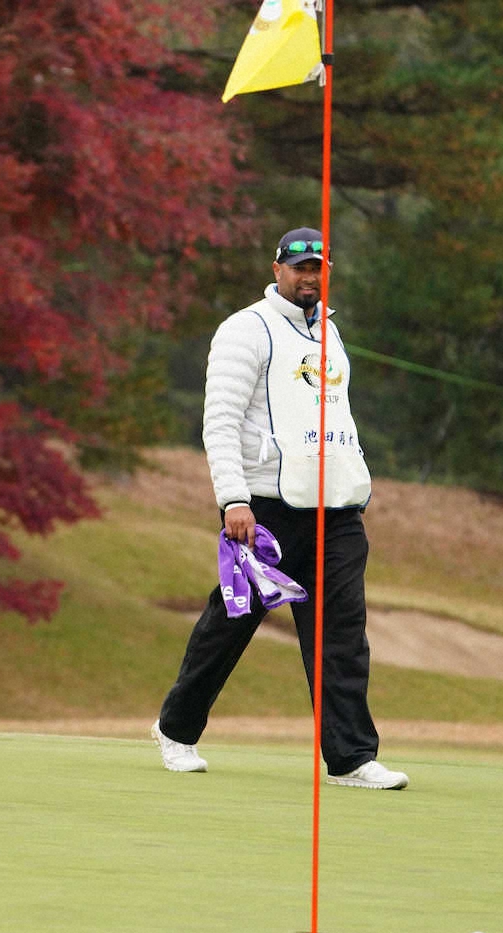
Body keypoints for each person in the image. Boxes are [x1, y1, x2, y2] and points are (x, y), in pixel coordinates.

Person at [152, 227, 408, 790]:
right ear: (277, 270)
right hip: (264, 509)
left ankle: (350, 757)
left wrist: (355, 479)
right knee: (233, 623)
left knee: (342, 634)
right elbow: (220, 422)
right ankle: (176, 729)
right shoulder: (246, 329)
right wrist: (233, 499)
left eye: (318, 267)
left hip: (335, 510)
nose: (309, 277)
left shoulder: (330, 332)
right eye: (299, 267)